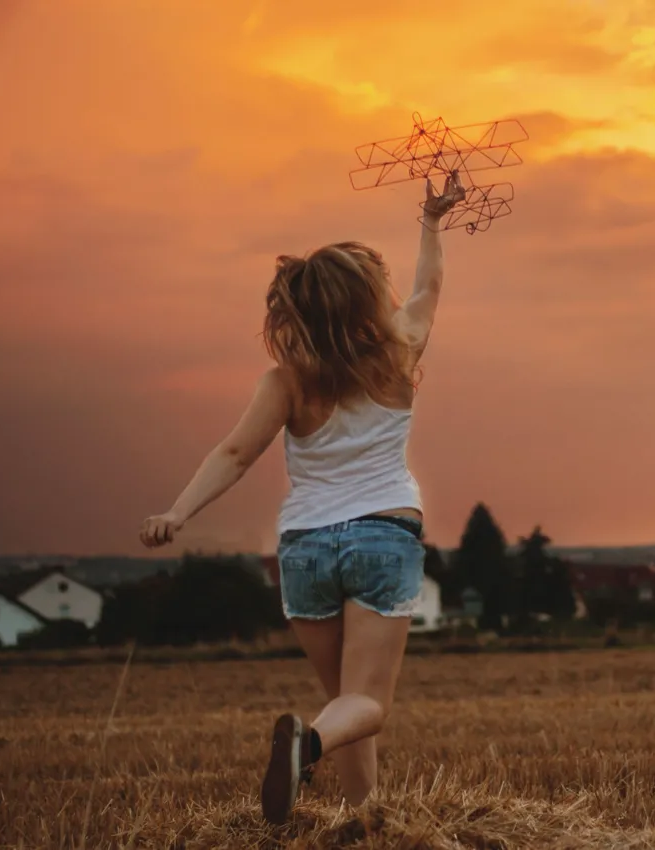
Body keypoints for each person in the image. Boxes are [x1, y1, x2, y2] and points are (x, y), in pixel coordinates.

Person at [138, 170, 467, 824]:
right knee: (364, 705)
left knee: (342, 700)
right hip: (381, 536)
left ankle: (362, 824)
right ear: (367, 299)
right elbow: (428, 286)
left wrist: (178, 511)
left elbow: (234, 453)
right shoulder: (399, 353)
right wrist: (430, 221)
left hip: (305, 551)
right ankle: (308, 745)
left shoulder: (284, 381)